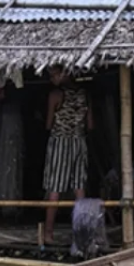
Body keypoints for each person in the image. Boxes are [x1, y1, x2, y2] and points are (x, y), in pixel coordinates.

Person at [42, 67, 92, 244]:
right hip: (79, 141)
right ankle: (82, 233)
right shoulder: (85, 95)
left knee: (55, 187)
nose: (52, 78)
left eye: (54, 75)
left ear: (65, 73)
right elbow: (90, 124)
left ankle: (48, 233)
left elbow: (49, 124)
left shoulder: (56, 94)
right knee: (79, 187)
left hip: (61, 142)